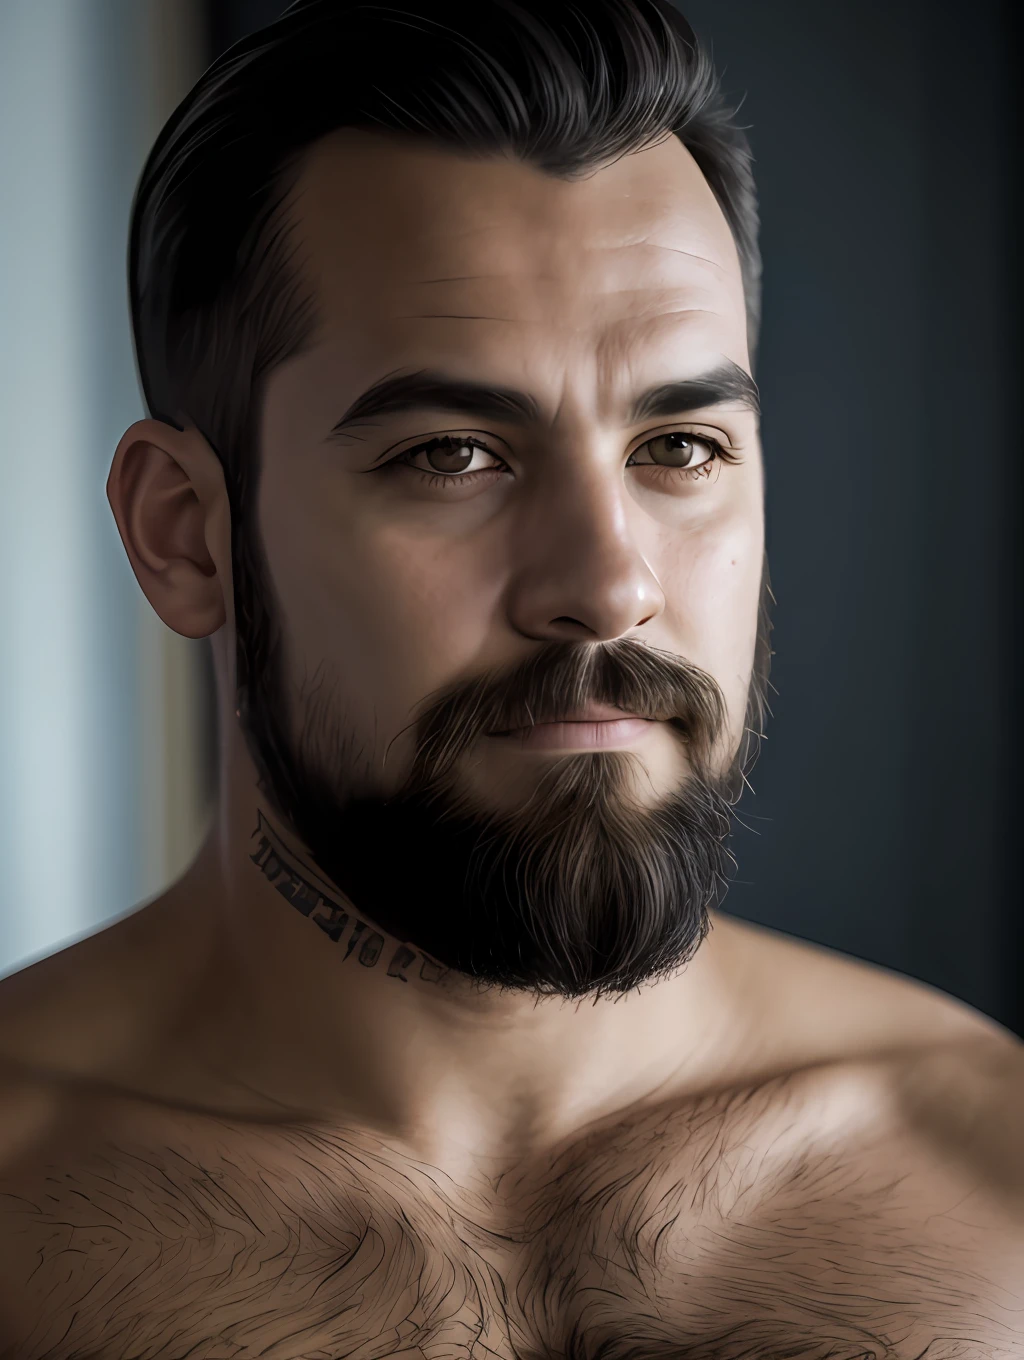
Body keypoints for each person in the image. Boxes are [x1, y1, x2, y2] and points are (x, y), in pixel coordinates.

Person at [0, 1, 1020, 1355]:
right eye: (451, 455)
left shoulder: (994, 1177)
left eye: (682, 447)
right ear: (187, 534)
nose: (607, 585)